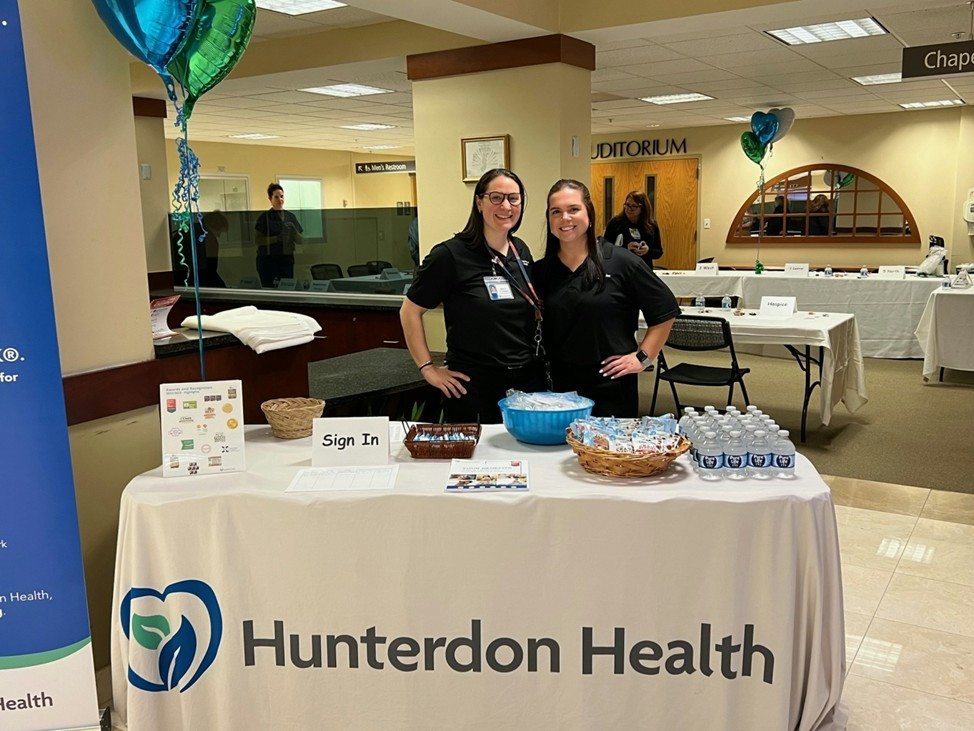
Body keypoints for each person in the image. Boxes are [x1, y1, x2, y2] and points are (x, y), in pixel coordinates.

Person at [399, 168, 546, 424]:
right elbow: (410, 311)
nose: (506, 206)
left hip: (526, 382)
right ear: (479, 202)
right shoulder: (450, 255)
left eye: (514, 198)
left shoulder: (519, 249)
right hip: (473, 385)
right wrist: (427, 369)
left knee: (524, 457)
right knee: (476, 460)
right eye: (496, 197)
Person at [534, 179, 679, 417]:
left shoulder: (621, 262)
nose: (565, 218)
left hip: (611, 388)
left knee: (607, 454)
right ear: (549, 220)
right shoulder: (542, 271)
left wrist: (643, 358)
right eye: (556, 212)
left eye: (573, 209)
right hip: (556, 389)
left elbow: (665, 312)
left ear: (589, 214)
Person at [254, 183, 303, 287]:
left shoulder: (290, 216)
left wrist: (294, 230)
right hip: (268, 261)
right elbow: (258, 240)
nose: (280, 200)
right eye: (276, 197)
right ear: (270, 198)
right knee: (270, 288)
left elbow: (300, 240)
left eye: (281, 196)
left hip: (286, 260)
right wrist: (277, 238)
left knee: (287, 288)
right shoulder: (265, 217)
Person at [602, 190, 663, 270]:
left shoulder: (651, 225)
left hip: (643, 269)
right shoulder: (615, 223)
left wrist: (647, 251)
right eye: (627, 205)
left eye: (634, 206)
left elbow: (658, 252)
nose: (629, 209)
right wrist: (625, 248)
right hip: (621, 268)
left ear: (643, 208)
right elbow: (605, 249)